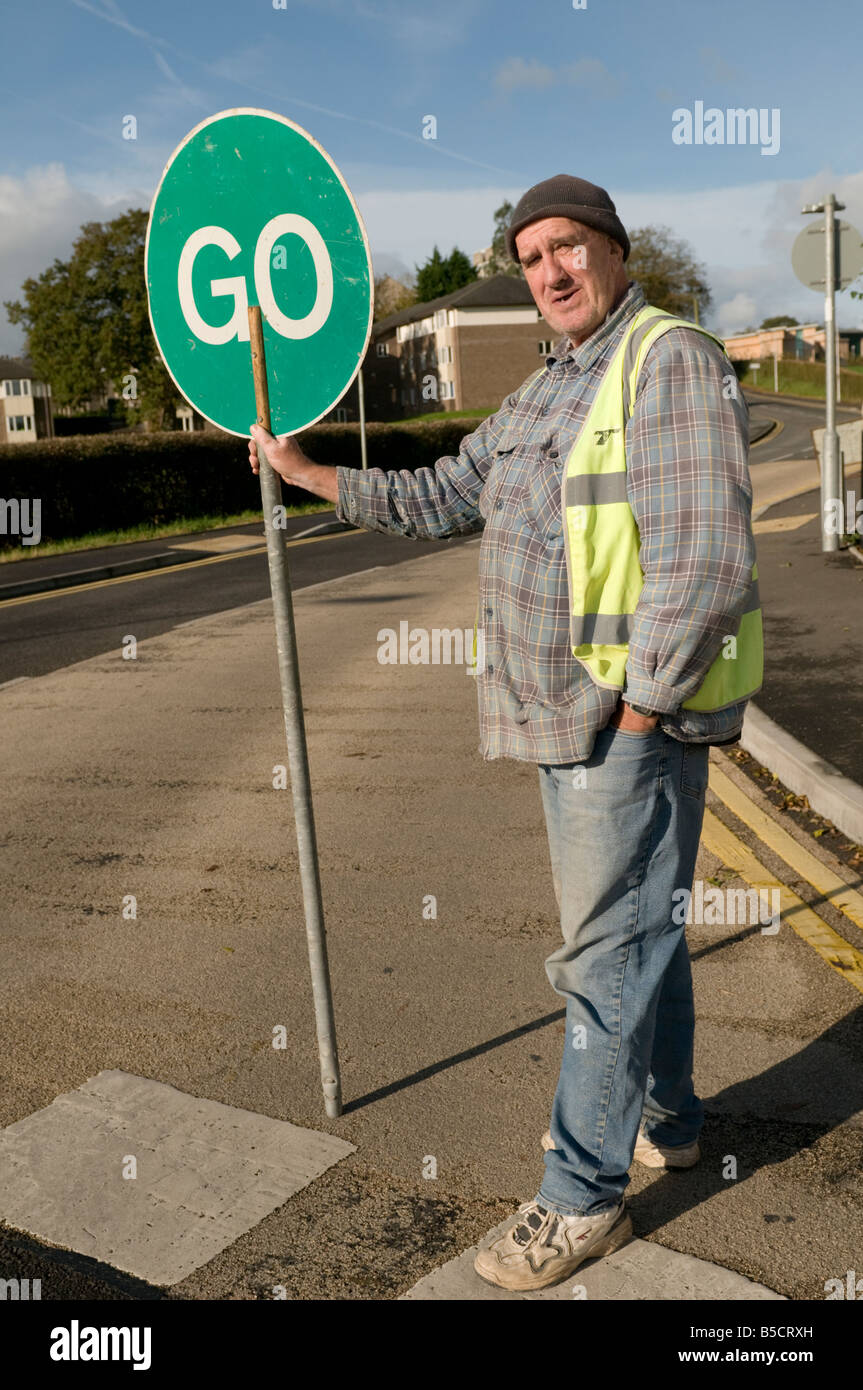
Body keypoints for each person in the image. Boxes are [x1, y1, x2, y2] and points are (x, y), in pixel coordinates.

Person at [247, 175, 762, 1292]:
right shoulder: (545, 389)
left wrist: (635, 713)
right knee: (640, 937)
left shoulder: (666, 359)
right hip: (561, 727)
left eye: (567, 247)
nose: (548, 272)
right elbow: (442, 493)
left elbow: (704, 561)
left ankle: (578, 1197)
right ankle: (669, 1121)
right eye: (530, 258)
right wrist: (306, 471)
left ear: (615, 253)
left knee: (600, 963)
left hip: (624, 726)